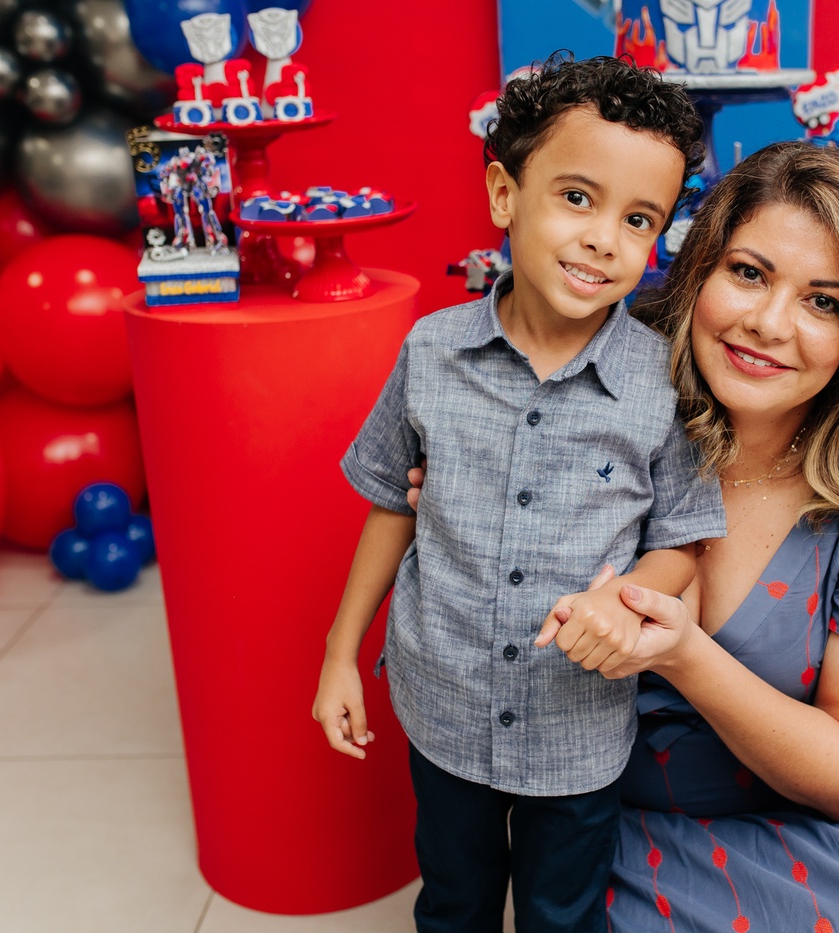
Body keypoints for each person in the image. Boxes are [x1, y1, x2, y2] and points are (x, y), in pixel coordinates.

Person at [416, 140, 839, 930]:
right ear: (698, 270)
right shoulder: (594, 406)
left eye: (824, 302)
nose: (767, 323)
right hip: (614, 820)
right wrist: (463, 498)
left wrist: (684, 654)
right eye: (749, 273)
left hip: (825, 823)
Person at [311, 55, 726, 933]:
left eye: (639, 218)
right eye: (577, 197)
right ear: (505, 194)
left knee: (560, 914)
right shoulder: (431, 351)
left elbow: (683, 537)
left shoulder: (665, 382)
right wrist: (341, 652)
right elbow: (392, 501)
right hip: (444, 700)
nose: (604, 239)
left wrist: (624, 595)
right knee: (454, 903)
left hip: (579, 727)